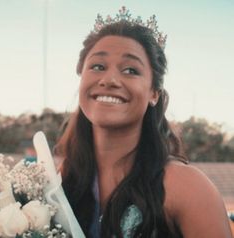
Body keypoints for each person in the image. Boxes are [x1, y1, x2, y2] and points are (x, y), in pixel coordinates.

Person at [55, 7, 232, 238]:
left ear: (154, 94)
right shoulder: (62, 180)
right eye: (98, 66)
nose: (109, 80)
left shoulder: (187, 187)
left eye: (131, 70)